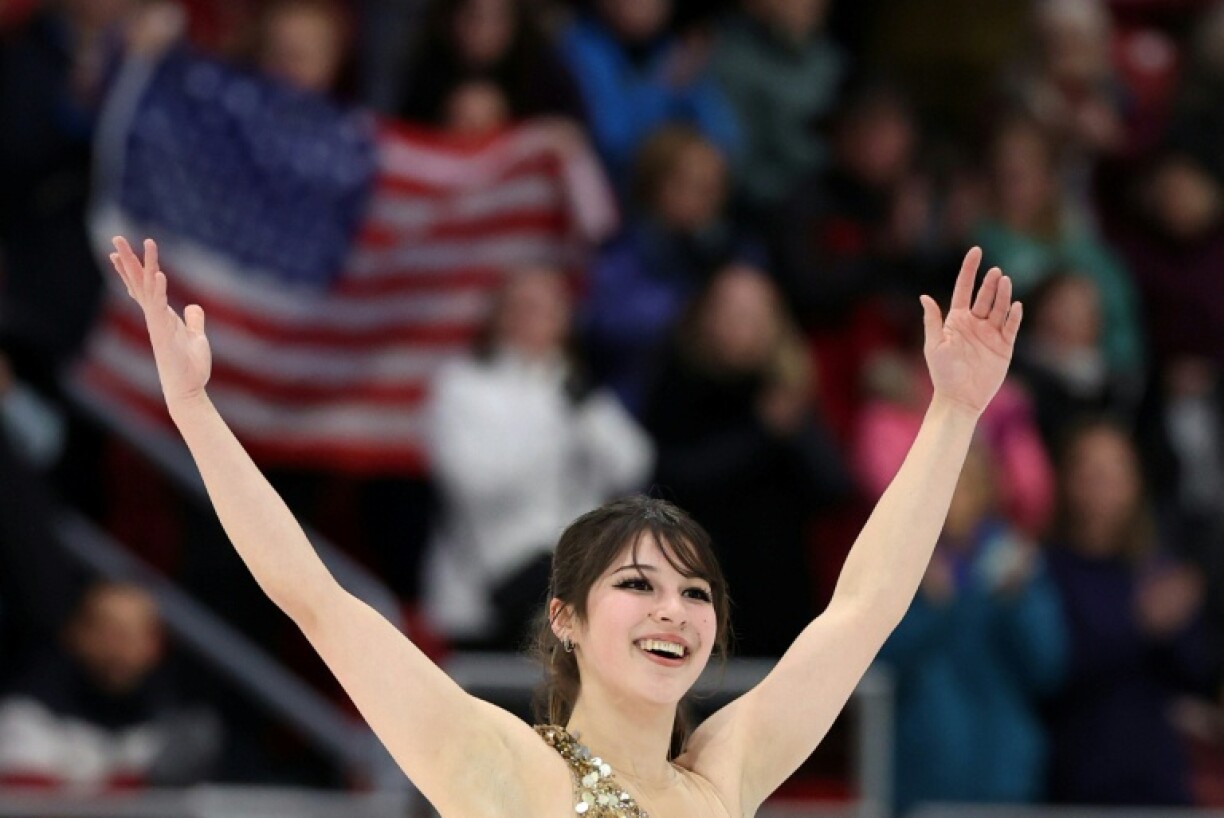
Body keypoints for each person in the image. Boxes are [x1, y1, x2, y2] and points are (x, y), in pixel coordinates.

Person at [108, 234, 1021, 817]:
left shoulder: (723, 776)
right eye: (638, 583)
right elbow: (312, 597)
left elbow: (861, 610)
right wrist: (194, 410)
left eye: (694, 592)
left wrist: (951, 416)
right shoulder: (498, 767)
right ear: (565, 617)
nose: (674, 609)